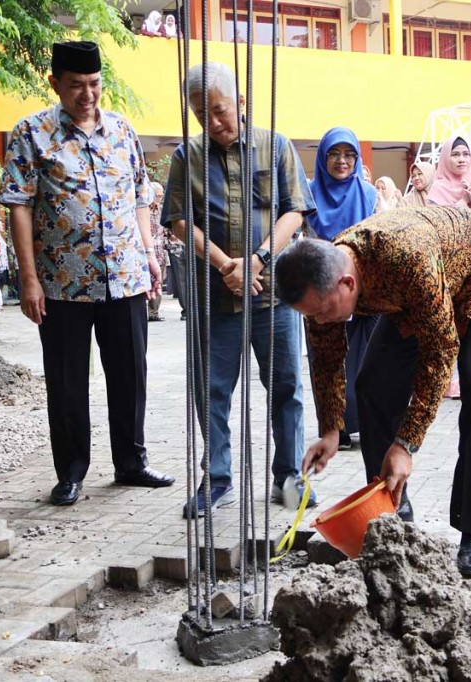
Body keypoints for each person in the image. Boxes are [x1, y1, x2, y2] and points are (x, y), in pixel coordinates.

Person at [277, 206, 471, 578]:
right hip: (418, 295)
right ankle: (391, 510)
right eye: (309, 315)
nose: (319, 321)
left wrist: (406, 444)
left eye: (322, 312)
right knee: (372, 385)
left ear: (347, 284)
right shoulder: (322, 289)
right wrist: (331, 429)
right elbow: (326, 359)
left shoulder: (404, 255)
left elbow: (439, 350)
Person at [0, 41, 175, 506]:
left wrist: (148, 252)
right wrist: (29, 278)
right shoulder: (31, 133)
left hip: (125, 277)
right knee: (67, 381)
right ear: (55, 83)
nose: (87, 94)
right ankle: (72, 471)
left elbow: (140, 196)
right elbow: (18, 206)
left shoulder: (122, 130)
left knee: (130, 376)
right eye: (76, 85)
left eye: (94, 84)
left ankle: (131, 463)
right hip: (61, 284)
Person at [163, 62, 317, 517]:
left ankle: (288, 480)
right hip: (214, 295)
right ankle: (217, 478)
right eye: (200, 114)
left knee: (286, 388)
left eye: (219, 110)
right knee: (211, 391)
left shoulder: (276, 146)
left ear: (241, 103)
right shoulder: (185, 157)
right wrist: (226, 264)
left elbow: (295, 211)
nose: (212, 123)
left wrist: (258, 258)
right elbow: (178, 221)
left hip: (274, 295)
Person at [308, 127, 378, 450]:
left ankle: (366, 421)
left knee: (367, 361)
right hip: (323, 291)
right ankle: (336, 426)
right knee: (328, 362)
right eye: (334, 154)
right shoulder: (308, 197)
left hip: (363, 291)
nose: (342, 161)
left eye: (349, 154)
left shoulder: (370, 196)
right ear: (323, 158)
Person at [426, 136, 471, 216]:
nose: (461, 160)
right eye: (455, 154)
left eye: (466, 154)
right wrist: (463, 201)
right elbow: (435, 222)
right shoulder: (438, 189)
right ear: (445, 158)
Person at [146, 181, 169, 322]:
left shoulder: (161, 210)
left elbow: (166, 230)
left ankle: (153, 312)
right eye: (158, 196)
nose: (159, 198)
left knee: (158, 282)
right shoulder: (144, 210)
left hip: (160, 252)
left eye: (161, 196)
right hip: (147, 253)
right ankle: (146, 311)